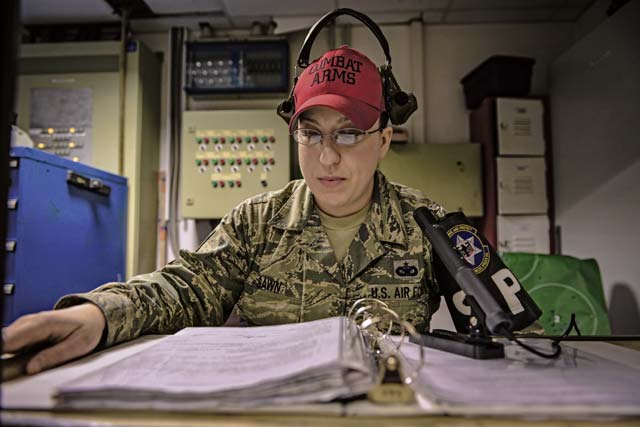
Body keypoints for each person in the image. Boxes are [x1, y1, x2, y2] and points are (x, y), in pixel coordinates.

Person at [2, 44, 446, 375]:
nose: (327, 157)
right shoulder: (257, 223)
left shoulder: (429, 225)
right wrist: (100, 315)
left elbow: (491, 317)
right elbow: (184, 289)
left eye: (347, 134)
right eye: (311, 134)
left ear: (383, 140)